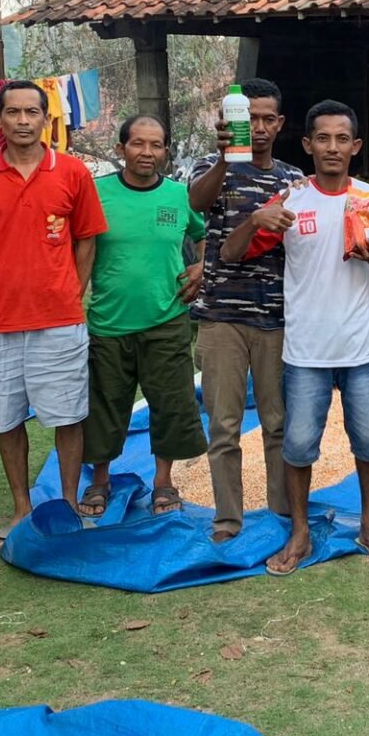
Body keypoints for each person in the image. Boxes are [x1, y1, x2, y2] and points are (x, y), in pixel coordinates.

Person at [220, 99, 369, 574]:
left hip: (361, 348)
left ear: (356, 146)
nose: (333, 147)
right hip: (305, 351)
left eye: (343, 139)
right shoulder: (290, 200)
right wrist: (254, 221)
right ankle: (299, 532)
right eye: (323, 138)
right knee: (299, 445)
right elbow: (231, 252)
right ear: (307, 145)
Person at [0, 80, 107, 551]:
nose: (22, 121)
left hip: (60, 322)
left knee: (68, 416)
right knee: (6, 418)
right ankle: (20, 507)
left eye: (31, 112)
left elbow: (87, 240)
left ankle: (70, 505)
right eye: (12, 113)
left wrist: (72, 296)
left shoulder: (72, 172)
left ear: (45, 118)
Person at [189, 78, 302, 542]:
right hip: (221, 318)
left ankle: (279, 513)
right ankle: (227, 521)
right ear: (231, 121)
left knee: (278, 424)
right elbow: (197, 202)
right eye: (248, 118)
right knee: (224, 426)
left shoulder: (294, 180)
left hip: (276, 318)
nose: (257, 127)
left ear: (279, 124)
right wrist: (223, 158)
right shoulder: (209, 167)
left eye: (266, 119)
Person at [80, 116, 207, 519]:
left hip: (167, 319)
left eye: (156, 145)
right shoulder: (95, 194)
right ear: (121, 149)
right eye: (138, 144)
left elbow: (204, 233)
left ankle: (163, 482)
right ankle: (100, 480)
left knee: (172, 404)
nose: (147, 153)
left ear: (166, 151)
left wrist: (201, 267)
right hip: (107, 321)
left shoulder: (178, 195)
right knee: (104, 406)